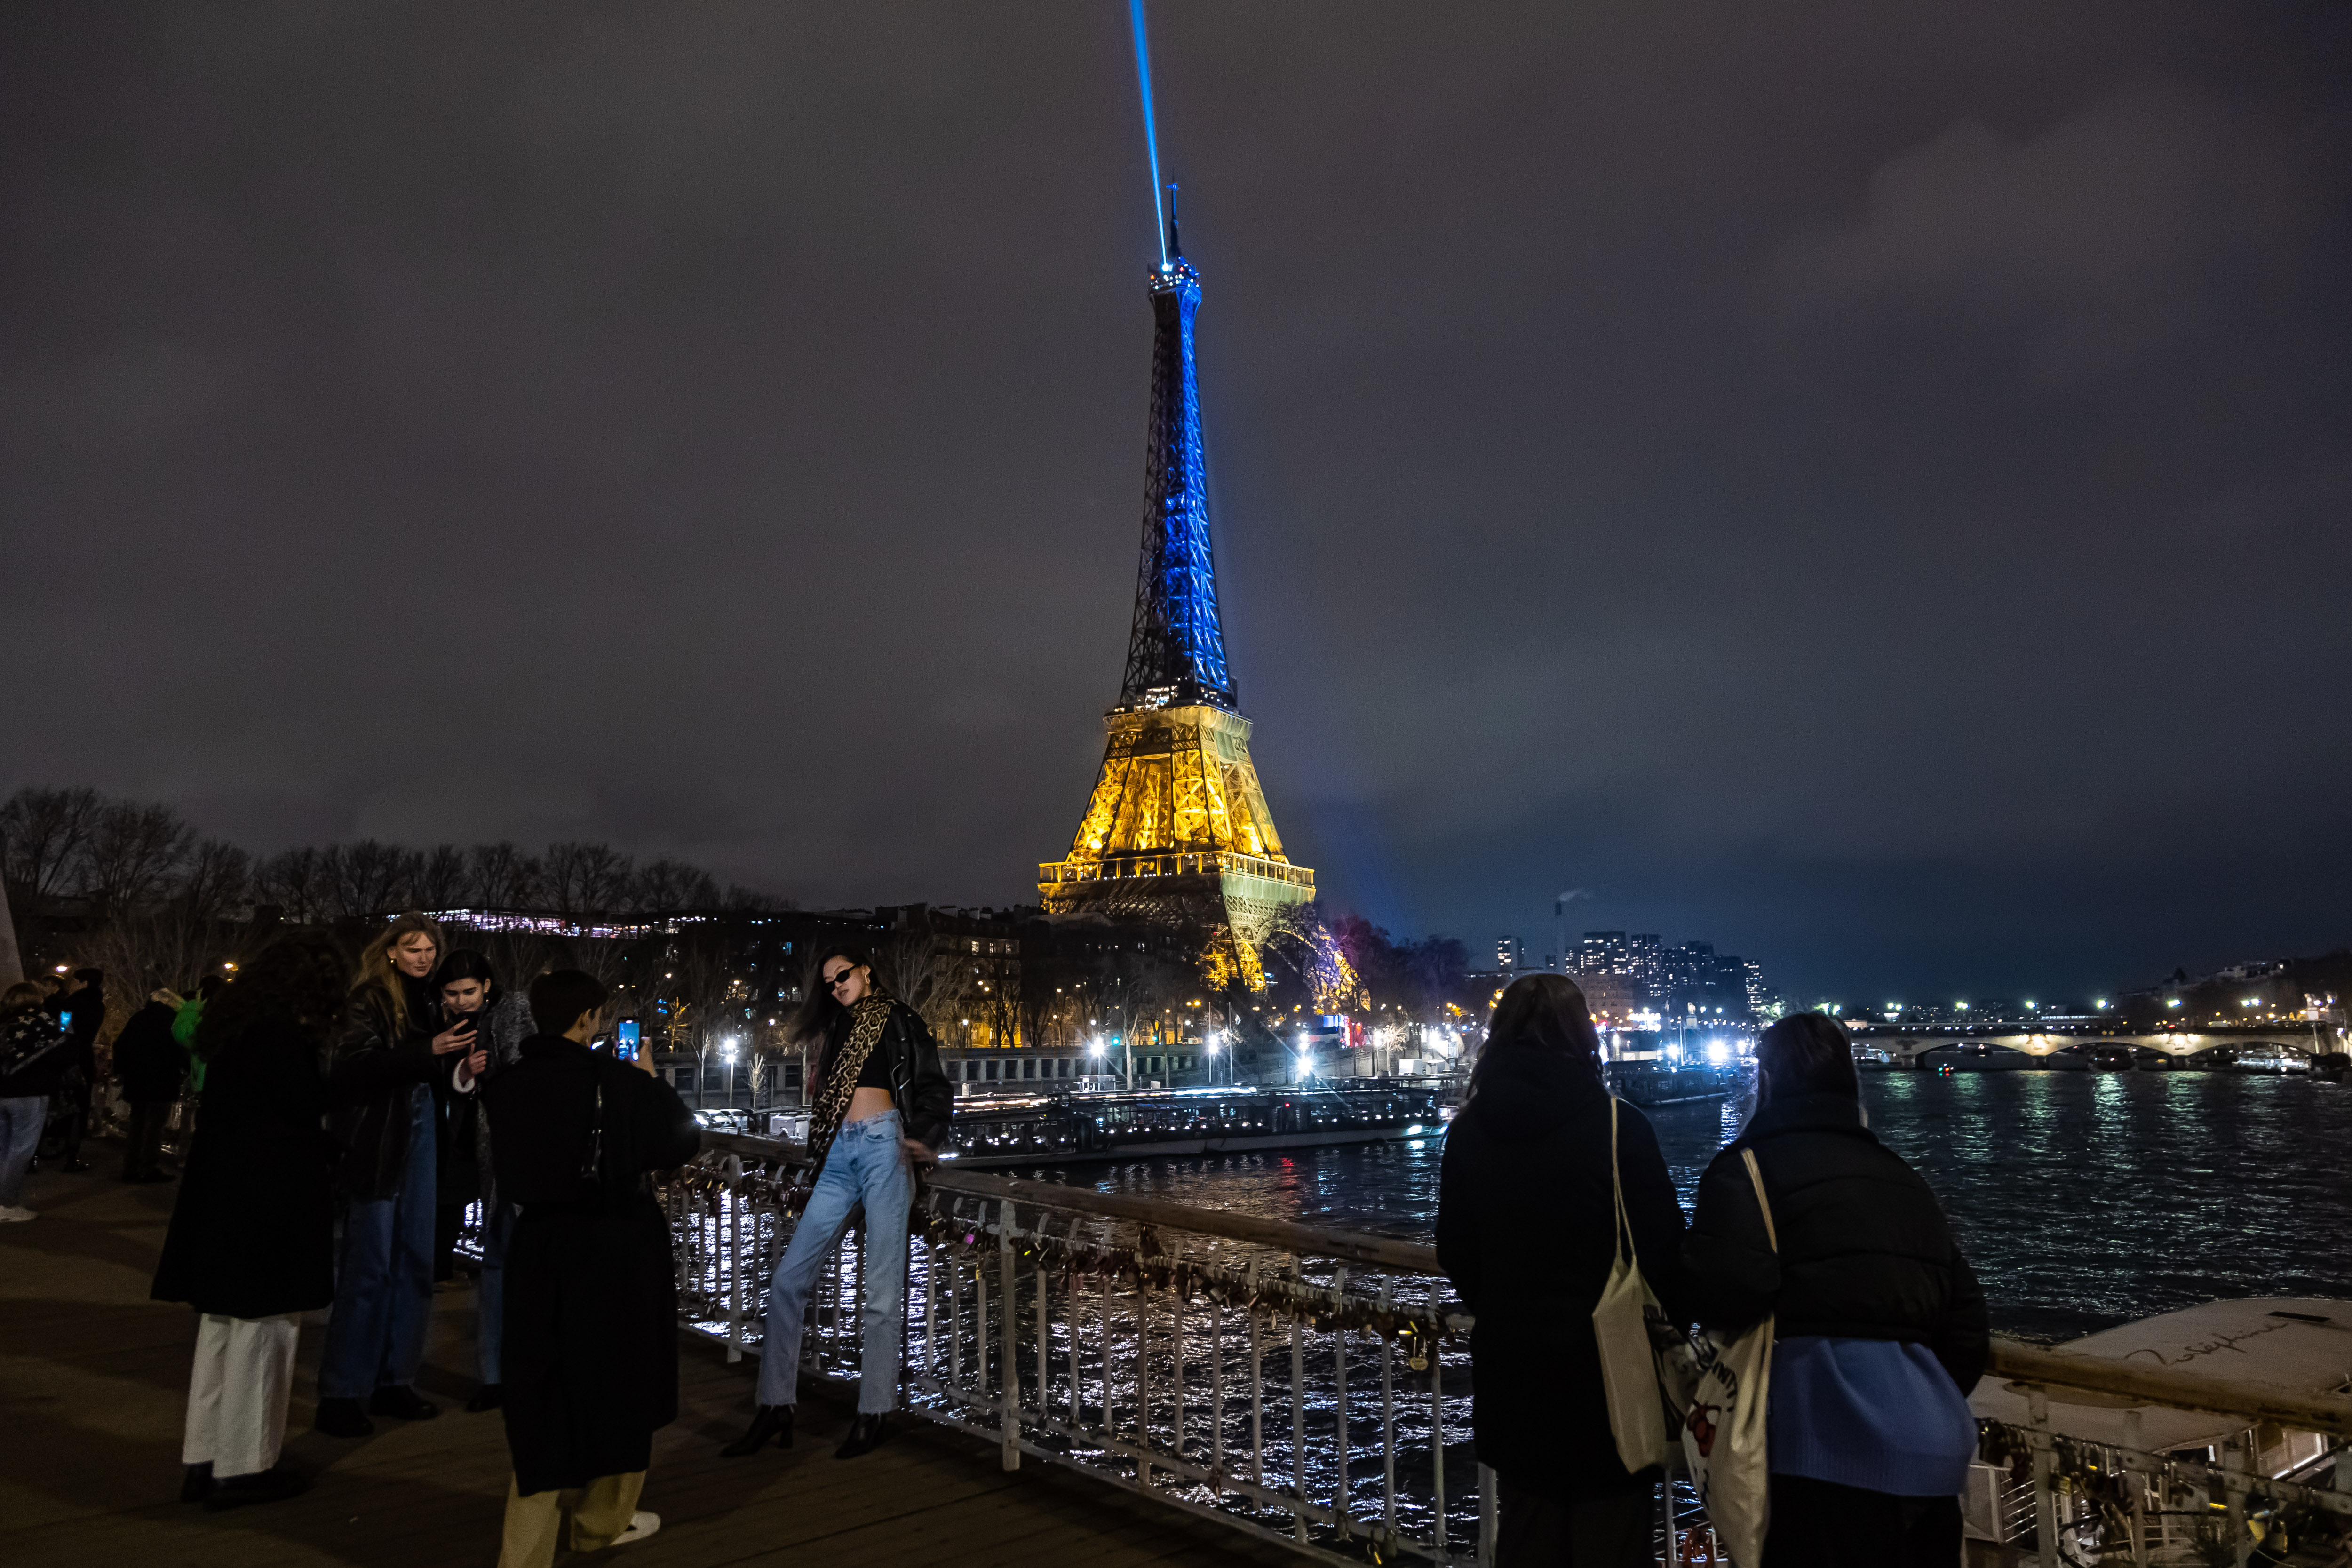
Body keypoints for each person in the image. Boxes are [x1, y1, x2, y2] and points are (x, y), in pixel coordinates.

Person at [1683, 1012, 1989, 1568]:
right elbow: (1967, 1329)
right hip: (1932, 1455)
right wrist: (1908, 1400)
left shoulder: (1746, 1169)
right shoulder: (1903, 1177)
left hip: (1817, 1454)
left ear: (1766, 1083)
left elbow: (1726, 1296)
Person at [1436, 974, 1689, 1567]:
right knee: (1615, 1541)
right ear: (1585, 1038)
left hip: (1515, 1376)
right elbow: (1664, 1256)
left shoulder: (1467, 1132)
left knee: (1528, 1535)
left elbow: (1456, 1251)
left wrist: (1503, 1303)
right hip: (1610, 1378)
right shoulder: (1619, 1127)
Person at [479, 969, 699, 1568]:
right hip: (615, 1248)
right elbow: (678, 1144)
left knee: (542, 1398)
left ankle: (523, 1552)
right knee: (624, 1385)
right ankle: (602, 1521)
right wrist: (651, 1083)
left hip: (540, 1247)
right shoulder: (615, 1081)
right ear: (587, 1019)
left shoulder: (506, 1086)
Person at [721, 944, 954, 1461]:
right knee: (787, 1281)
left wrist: (922, 1136)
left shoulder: (899, 1019)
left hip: (883, 1147)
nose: (835, 986)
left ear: (867, 971)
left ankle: (872, 1412)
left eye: (842, 975)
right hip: (838, 1154)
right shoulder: (837, 1031)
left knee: (880, 1292)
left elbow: (935, 1086)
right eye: (827, 982)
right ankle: (775, 1404)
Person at [150, 934, 345, 1511]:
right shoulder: (281, 1035)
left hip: (221, 1197)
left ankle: (205, 1456)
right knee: (265, 1336)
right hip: (268, 1201)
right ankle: (245, 1464)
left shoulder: (235, 1027)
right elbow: (298, 1108)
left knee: (220, 1333)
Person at [316, 911, 471, 1436]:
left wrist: (463, 1070)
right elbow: (352, 1068)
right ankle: (343, 1391)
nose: (423, 958)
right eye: (413, 949)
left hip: (422, 1131)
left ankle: (394, 1379)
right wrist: (424, 1052)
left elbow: (437, 1073)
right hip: (382, 1138)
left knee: (415, 1263)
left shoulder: (434, 1002)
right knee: (369, 1265)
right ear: (390, 952)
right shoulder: (370, 1000)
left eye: (429, 949)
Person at [438, 947, 534, 1412]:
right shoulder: (445, 1024)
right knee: (498, 1266)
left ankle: (503, 1373)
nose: (461, 1001)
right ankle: (497, 1374)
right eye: (453, 994)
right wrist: (461, 1073)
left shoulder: (511, 1013)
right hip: (487, 1158)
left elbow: (521, 1071)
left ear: (487, 987)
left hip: (509, 1154)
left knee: (506, 1266)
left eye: (469, 992)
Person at [0, 983, 75, 1221]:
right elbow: (66, 1052)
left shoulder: (4, 1024)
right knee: (21, 1149)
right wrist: (67, 1026)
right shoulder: (45, 1023)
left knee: (3, 1148)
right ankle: (7, 1205)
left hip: (1, 1092)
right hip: (30, 1093)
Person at [114, 988, 188, 1183]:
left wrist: (122, 1071)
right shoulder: (173, 1020)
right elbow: (180, 1050)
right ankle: (149, 1167)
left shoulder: (138, 1018)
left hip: (137, 1080)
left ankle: (130, 1168)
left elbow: (120, 1045)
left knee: (137, 1124)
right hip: (162, 1081)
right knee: (155, 1126)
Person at [50, 966, 106, 1170]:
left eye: (75, 980)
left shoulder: (71, 1004)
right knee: (81, 1104)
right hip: (85, 1058)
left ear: (84, 983)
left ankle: (52, 1143)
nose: (72, 984)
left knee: (60, 1100)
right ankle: (73, 1154)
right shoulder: (99, 1005)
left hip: (67, 1057)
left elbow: (63, 1028)